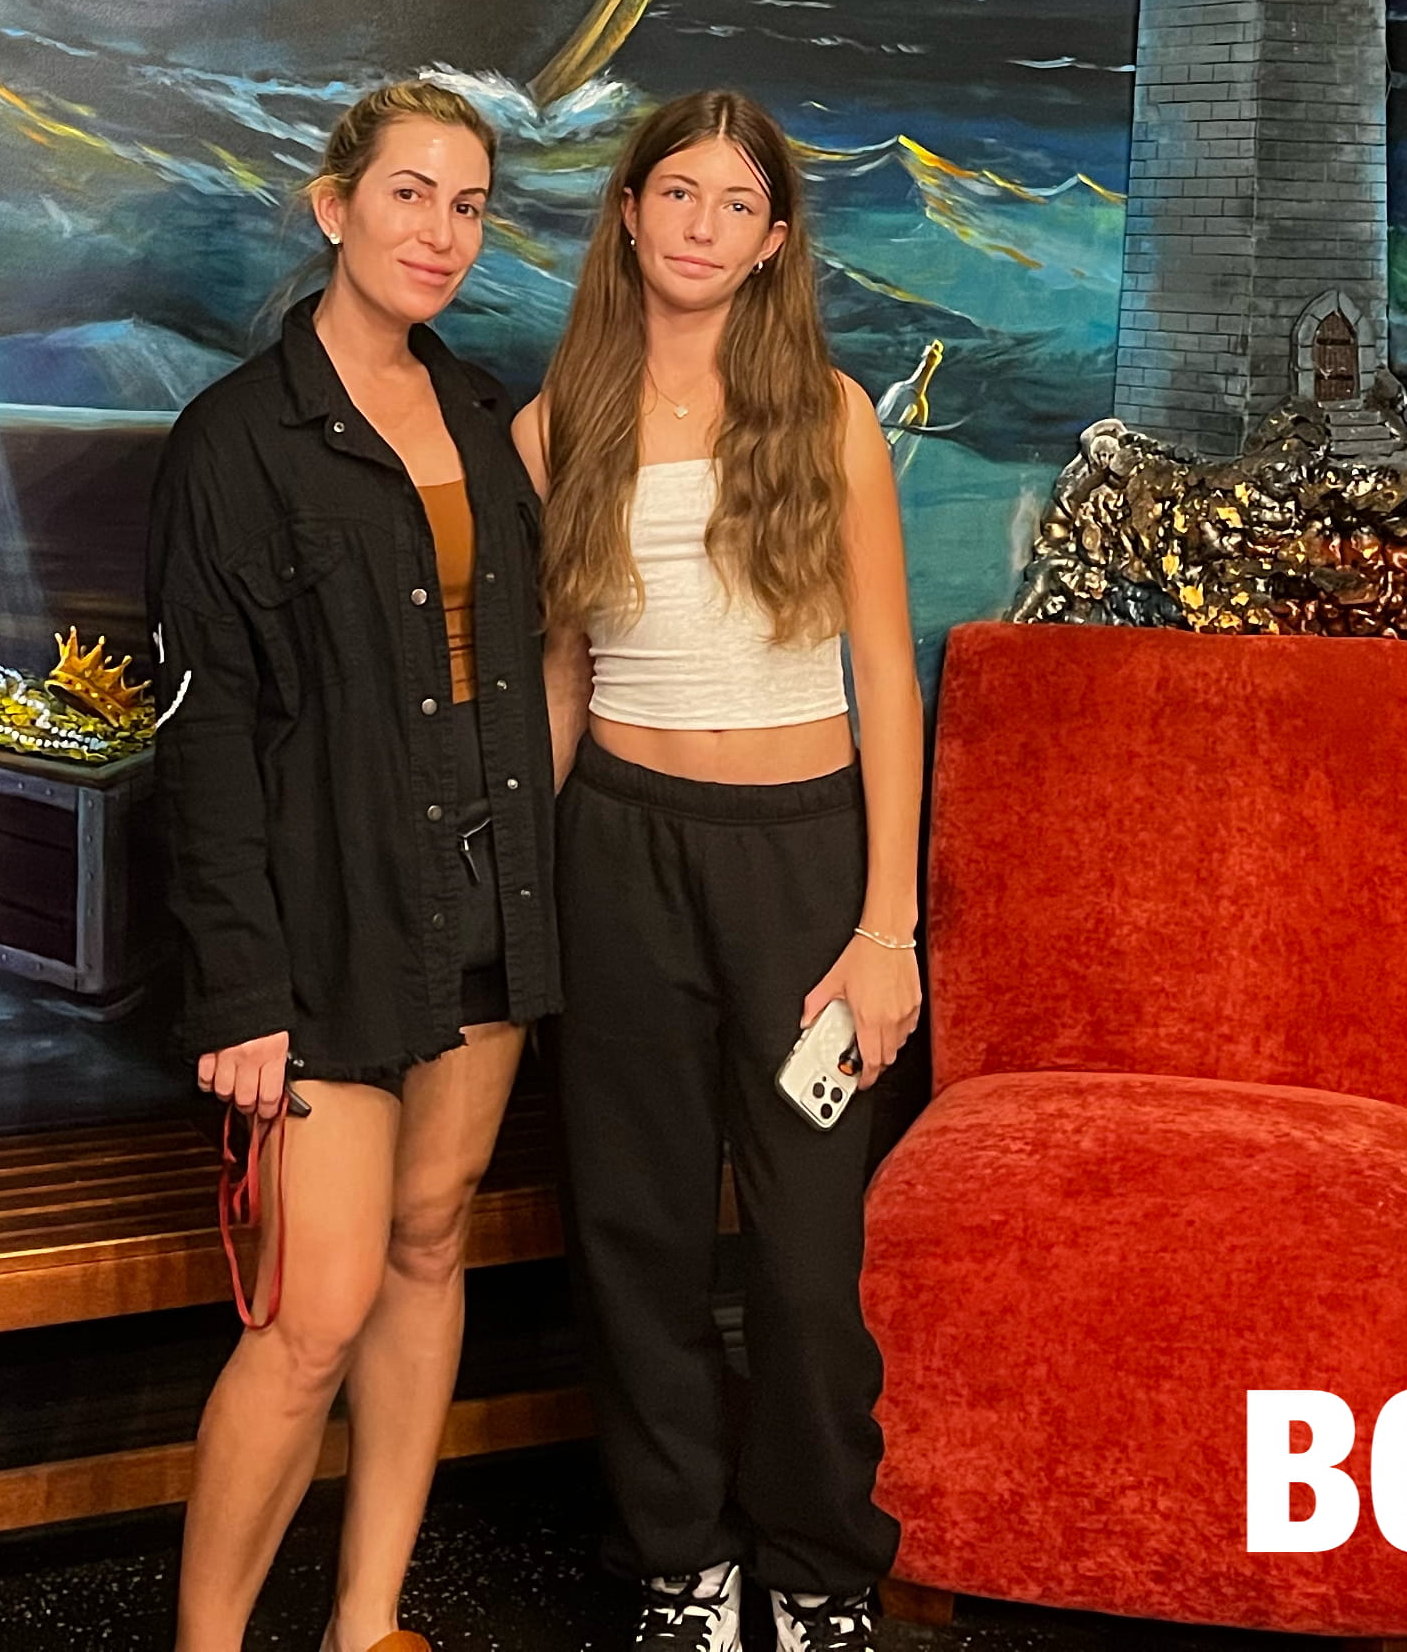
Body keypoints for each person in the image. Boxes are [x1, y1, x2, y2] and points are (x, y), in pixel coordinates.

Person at [149, 79, 556, 1652]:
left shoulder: (483, 416)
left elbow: (520, 669)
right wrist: (239, 990)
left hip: (486, 903)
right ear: (334, 209)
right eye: (407, 194)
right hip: (324, 928)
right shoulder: (232, 442)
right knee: (312, 1314)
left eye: (468, 205)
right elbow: (203, 736)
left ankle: (366, 1624)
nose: (440, 233)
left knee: (431, 1242)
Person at [515, 91, 924, 1652]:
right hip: (618, 852)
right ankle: (680, 1560)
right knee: (636, 1240)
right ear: (628, 213)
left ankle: (820, 1566)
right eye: (675, 191)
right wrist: (517, 904)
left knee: (808, 1260)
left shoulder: (829, 414)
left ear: (772, 242)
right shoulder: (555, 425)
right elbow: (561, 678)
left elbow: (886, 678)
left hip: (804, 864)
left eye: (735, 202)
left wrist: (888, 929)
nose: (700, 223)